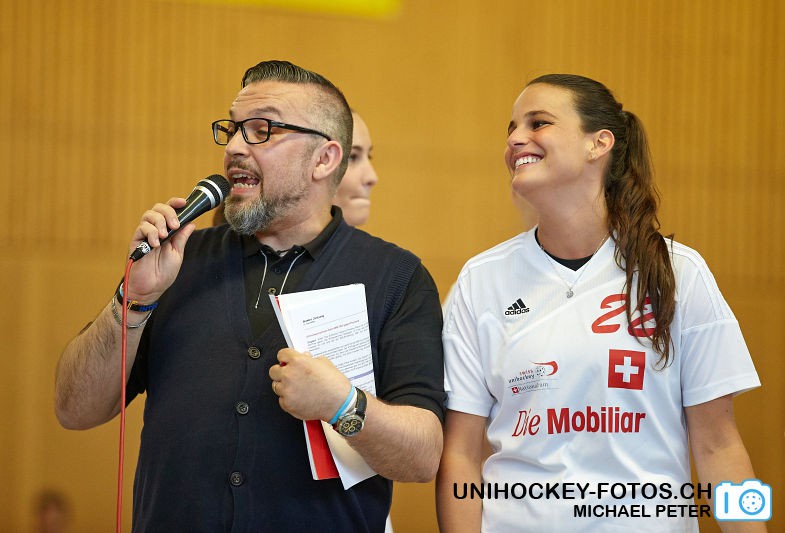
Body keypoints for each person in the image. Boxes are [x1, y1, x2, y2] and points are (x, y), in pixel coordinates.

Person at [55, 60, 445, 532]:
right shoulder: (178, 261)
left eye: (262, 130)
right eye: (233, 129)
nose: (236, 148)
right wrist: (133, 301)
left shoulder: (395, 278)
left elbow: (422, 458)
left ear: (324, 159)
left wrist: (344, 405)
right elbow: (74, 408)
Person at [436, 74, 763, 532]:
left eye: (539, 123)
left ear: (599, 144)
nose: (515, 139)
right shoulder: (481, 279)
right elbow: (461, 453)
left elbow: (720, 447)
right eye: (510, 128)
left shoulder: (678, 272)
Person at [212, 108, 378, 228]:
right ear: (323, 159)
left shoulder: (390, 266)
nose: (372, 177)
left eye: (368, 156)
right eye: (353, 157)